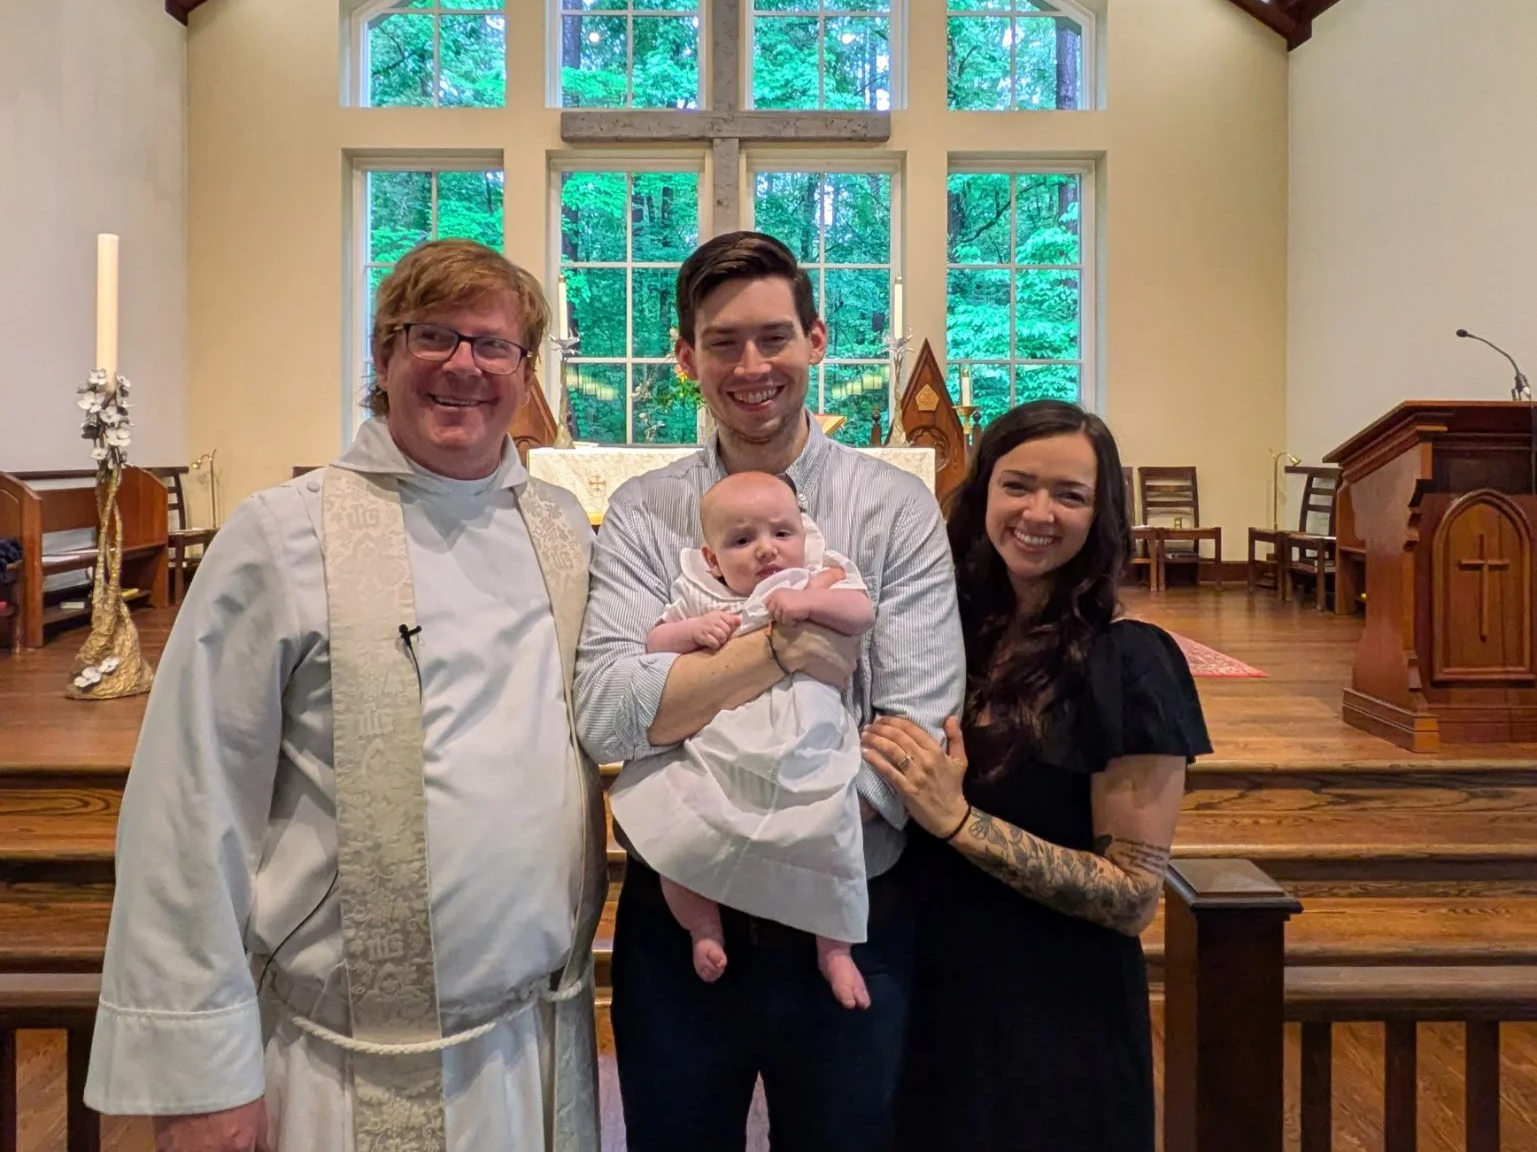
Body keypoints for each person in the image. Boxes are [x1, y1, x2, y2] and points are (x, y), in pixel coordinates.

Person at [83, 238, 608, 1152]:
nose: (465, 366)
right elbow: (190, 807)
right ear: (382, 353)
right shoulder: (284, 535)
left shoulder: (559, 528)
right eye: (433, 336)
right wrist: (201, 1079)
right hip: (346, 1067)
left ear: (526, 372)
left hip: (533, 1044)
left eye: (494, 345)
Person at [575, 230, 965, 1152]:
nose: (750, 366)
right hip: (683, 919)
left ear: (816, 340)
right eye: (722, 342)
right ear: (686, 358)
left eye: (773, 337)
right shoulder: (644, 512)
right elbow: (609, 712)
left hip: (849, 906)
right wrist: (789, 650)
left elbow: (910, 728)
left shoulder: (893, 508)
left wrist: (765, 829)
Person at [860, 400, 1212, 1152]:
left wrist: (959, 822)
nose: (1038, 514)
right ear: (982, 491)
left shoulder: (1130, 662)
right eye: (1017, 485)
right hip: (925, 995)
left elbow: (1131, 897)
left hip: (1056, 1014)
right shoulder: (939, 636)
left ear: (1101, 514)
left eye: (1069, 495)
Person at [619, 470, 877, 1010]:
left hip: (807, 739)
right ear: (712, 560)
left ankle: (835, 948)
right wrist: (692, 633)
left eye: (781, 533)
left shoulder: (821, 577)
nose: (765, 549)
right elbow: (655, 641)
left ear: (804, 533)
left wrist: (810, 606)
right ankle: (702, 927)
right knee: (676, 832)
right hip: (723, 747)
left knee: (834, 835)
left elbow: (861, 612)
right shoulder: (701, 595)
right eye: (742, 540)